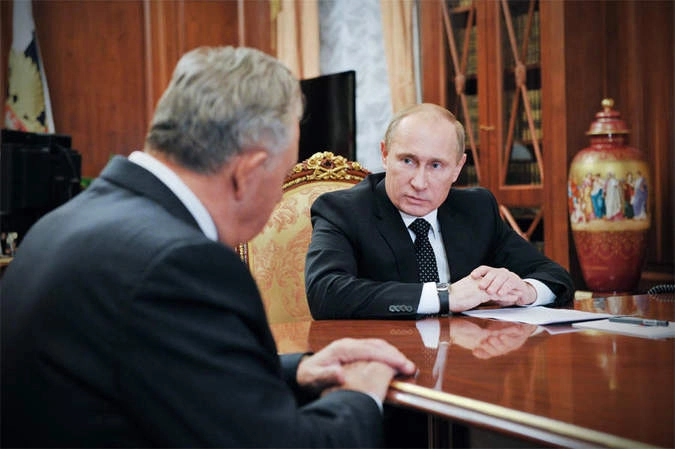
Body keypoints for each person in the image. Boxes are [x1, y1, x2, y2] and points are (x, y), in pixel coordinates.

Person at [0, 46, 416, 448]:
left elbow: (164, 369)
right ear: (248, 172)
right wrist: (362, 394)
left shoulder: (61, 223)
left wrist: (299, 368)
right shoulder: (180, 264)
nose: (279, 198)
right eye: (281, 177)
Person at [305, 103, 574, 319]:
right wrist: (445, 296)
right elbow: (325, 293)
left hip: (467, 357)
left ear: (457, 168)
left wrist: (525, 291)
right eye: (408, 161)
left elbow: (555, 276)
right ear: (385, 154)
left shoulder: (477, 209)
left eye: (436, 166)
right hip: (384, 358)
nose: (419, 183)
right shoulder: (343, 210)